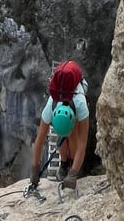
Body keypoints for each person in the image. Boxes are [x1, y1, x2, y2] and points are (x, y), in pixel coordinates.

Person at [29, 60, 89, 192]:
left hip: (75, 105)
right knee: (62, 135)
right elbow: (39, 142)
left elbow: (82, 144)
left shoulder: (81, 106)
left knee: (73, 135)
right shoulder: (50, 107)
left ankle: (72, 164)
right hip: (62, 110)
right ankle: (64, 163)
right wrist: (34, 170)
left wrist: (73, 174)